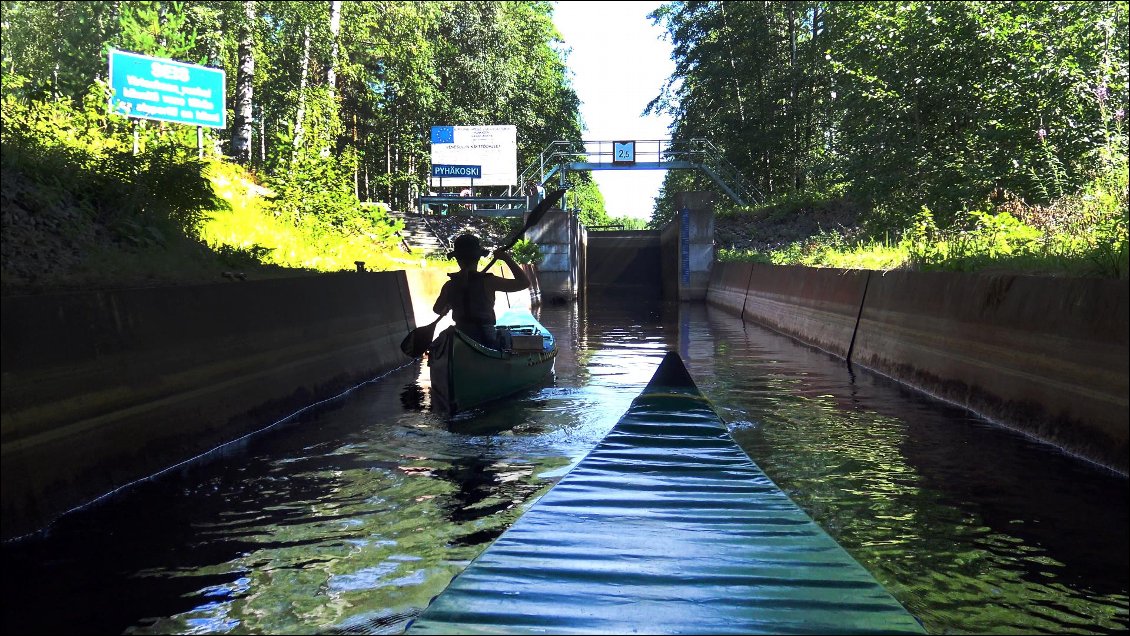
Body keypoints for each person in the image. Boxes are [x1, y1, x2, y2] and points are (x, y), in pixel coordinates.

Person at [433, 233, 530, 349]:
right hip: (486, 336)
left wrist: (449, 303)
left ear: (457, 259)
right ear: (479, 258)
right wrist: (506, 258)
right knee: (506, 336)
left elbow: (437, 309)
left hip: (460, 335)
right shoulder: (489, 281)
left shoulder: (450, 285)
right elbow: (524, 283)